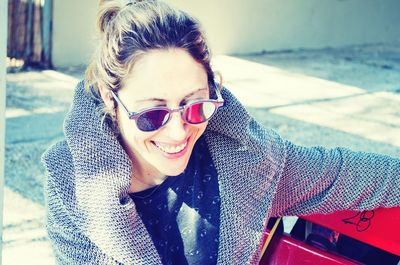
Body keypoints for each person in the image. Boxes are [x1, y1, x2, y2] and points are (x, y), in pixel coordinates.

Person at [41, 0, 400, 264]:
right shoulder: (70, 188)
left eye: (196, 106)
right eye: (152, 114)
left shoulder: (247, 161)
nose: (179, 131)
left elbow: (343, 175)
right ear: (110, 97)